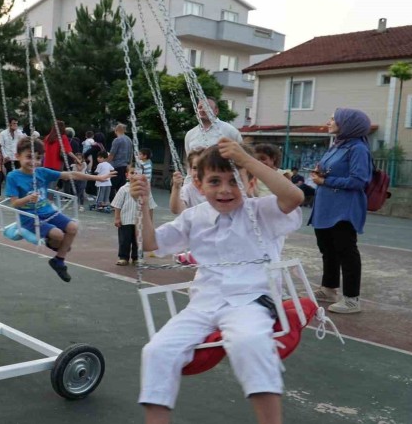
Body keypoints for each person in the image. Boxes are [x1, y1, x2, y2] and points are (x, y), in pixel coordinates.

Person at [130, 138, 304, 424]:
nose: (225, 190)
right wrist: (142, 204)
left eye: (234, 181)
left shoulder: (262, 211)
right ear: (199, 186)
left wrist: (246, 160)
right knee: (157, 351)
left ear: (249, 183)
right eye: (215, 181)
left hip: (250, 300)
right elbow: (151, 244)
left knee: (250, 342)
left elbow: (294, 198)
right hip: (204, 303)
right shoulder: (193, 217)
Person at [5, 138, 115, 282]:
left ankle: (59, 260)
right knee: (58, 236)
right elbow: (14, 204)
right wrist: (28, 199)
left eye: (38, 158)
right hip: (30, 217)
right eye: (29, 157)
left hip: (48, 211)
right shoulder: (13, 176)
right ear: (18, 156)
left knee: (73, 227)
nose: (34, 162)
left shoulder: (42, 172)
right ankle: (58, 244)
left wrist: (97, 178)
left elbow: (72, 174)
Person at [310, 108, 373, 314]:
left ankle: (352, 299)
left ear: (347, 124)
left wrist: (325, 180)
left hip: (344, 208)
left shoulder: (358, 149)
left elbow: (359, 180)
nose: (329, 122)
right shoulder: (337, 145)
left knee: (346, 251)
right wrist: (320, 173)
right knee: (327, 248)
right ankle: (329, 289)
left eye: (333, 119)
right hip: (326, 206)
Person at [112, 167, 157, 266]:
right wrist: (117, 218)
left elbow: (150, 206)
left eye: (138, 173)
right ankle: (123, 257)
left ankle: (137, 258)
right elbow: (117, 204)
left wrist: (150, 221)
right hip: (125, 220)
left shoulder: (145, 191)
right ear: (127, 175)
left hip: (140, 222)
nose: (134, 175)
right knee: (124, 240)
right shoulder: (123, 189)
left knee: (139, 240)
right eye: (132, 173)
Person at [170, 149, 206, 214]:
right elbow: (176, 210)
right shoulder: (187, 190)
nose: (198, 173)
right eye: (195, 168)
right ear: (190, 170)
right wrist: (176, 188)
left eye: (203, 168)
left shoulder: (216, 189)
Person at [108, 123, 133, 199]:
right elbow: (131, 153)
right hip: (125, 165)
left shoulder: (117, 140)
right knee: (121, 186)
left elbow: (112, 153)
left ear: (116, 130)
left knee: (112, 185)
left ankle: (113, 202)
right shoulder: (129, 140)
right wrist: (130, 164)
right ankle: (121, 202)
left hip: (116, 165)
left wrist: (107, 162)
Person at [83, 132, 106, 197]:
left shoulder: (95, 146)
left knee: (93, 178)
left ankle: (91, 191)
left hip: (95, 163)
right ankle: (93, 192)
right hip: (98, 164)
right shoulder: (101, 146)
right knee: (95, 178)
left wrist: (87, 161)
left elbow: (86, 153)